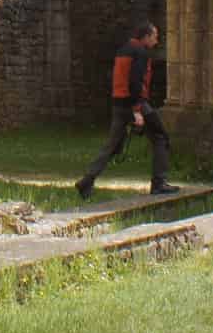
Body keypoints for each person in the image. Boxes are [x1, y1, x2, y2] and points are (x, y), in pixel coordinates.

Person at [75, 19, 179, 199]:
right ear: (145, 37)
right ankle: (159, 183)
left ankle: (87, 180)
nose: (156, 40)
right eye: (154, 37)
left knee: (112, 146)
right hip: (135, 103)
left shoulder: (123, 49)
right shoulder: (140, 53)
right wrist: (137, 111)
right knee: (161, 137)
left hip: (119, 103)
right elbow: (135, 82)